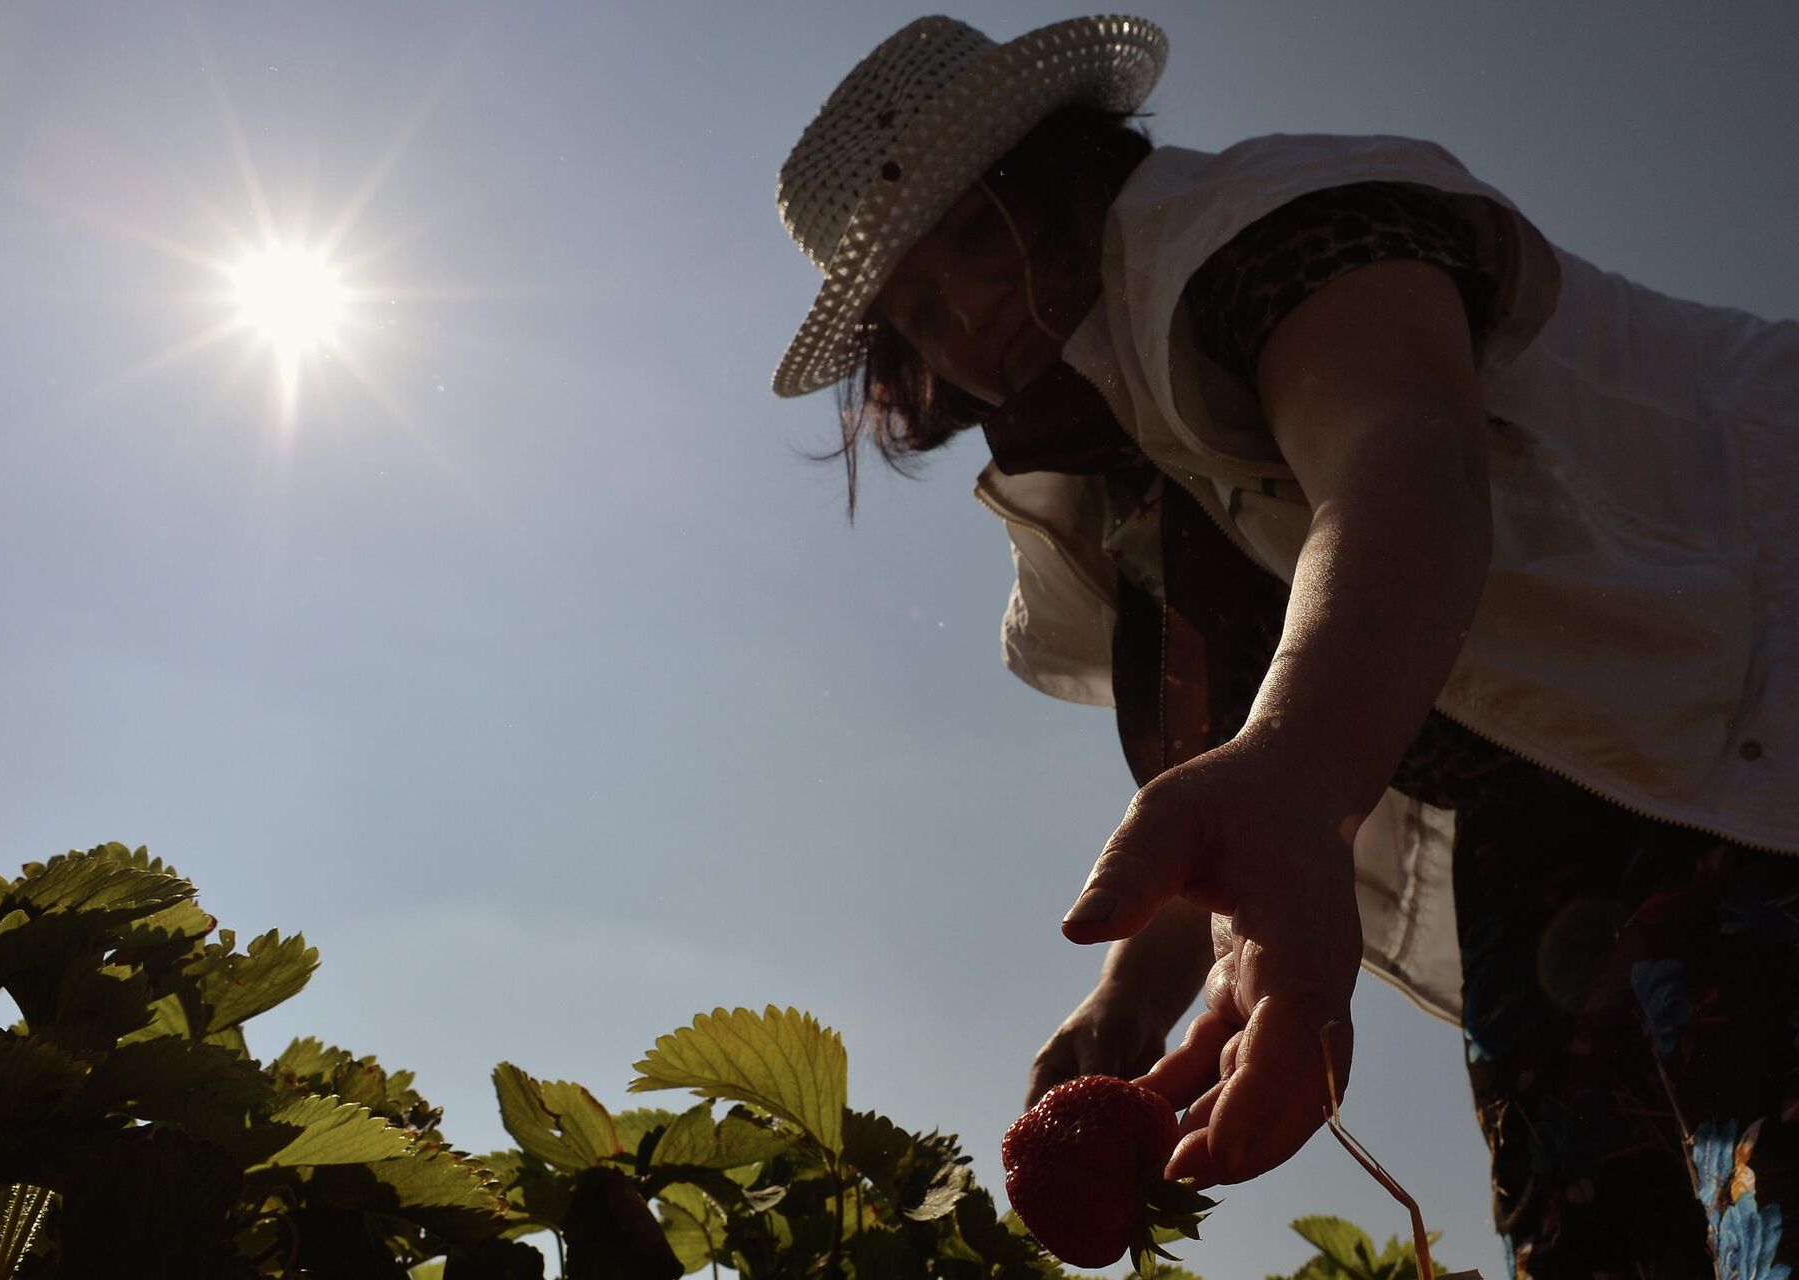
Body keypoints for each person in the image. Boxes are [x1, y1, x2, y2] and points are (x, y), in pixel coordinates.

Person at [769, 13, 1799, 1278]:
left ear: (1070, 165)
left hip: (1757, 640)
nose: (974, 310)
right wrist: (1134, 991)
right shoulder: (1123, 476)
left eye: (982, 232)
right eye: (918, 308)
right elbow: (1245, 741)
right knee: (1590, 1228)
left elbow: (1399, 459)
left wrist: (1305, 772)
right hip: (1553, 804)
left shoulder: (1267, 229)